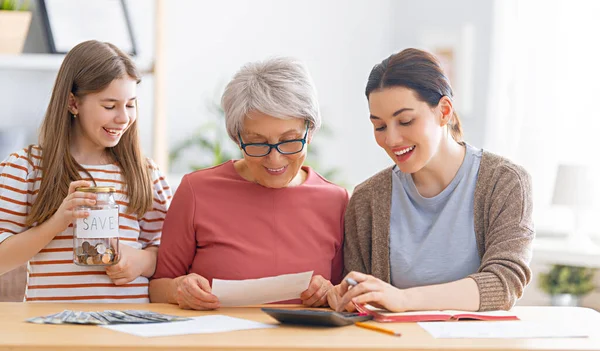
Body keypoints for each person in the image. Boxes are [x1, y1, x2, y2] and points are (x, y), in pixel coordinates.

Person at [328, 48, 534, 312]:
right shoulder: (368, 198)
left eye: (405, 121)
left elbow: (505, 282)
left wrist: (403, 300)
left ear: (444, 111)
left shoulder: (504, 182)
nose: (391, 139)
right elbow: (359, 297)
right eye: (379, 126)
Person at [150, 57, 348, 310]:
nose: (275, 158)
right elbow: (157, 287)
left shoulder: (336, 201)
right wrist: (179, 290)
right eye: (258, 143)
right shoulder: (197, 191)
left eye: (289, 140)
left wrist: (329, 292)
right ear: (237, 137)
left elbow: (345, 291)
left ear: (310, 131)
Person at [0, 40, 171, 302]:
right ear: (73, 103)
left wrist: (143, 261)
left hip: (130, 326)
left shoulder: (145, 173)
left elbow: (171, 252)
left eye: (130, 104)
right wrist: (57, 222)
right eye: (110, 106)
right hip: (55, 327)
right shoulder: (26, 169)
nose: (123, 118)